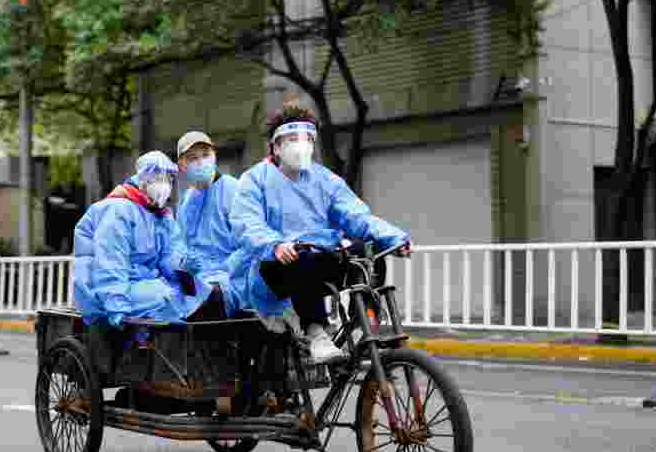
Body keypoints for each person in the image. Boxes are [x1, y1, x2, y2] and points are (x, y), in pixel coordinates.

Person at [227, 106, 411, 363]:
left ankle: (367, 321)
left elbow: (356, 216)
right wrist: (275, 244)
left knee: (368, 252)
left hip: (320, 258)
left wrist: (394, 238)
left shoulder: (325, 180)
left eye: (306, 140)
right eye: (292, 140)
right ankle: (316, 331)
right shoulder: (254, 180)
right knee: (301, 260)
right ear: (276, 147)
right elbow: (247, 223)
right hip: (273, 266)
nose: (300, 147)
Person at [72, 151, 227, 327]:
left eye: (169, 179)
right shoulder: (117, 210)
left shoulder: (160, 215)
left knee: (204, 292)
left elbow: (169, 256)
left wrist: (184, 265)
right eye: (158, 178)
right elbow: (110, 264)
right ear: (143, 178)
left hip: (141, 285)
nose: (165, 185)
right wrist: (116, 307)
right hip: (104, 294)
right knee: (168, 296)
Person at [175, 130, 243, 317]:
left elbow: (249, 245)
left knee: (204, 301)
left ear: (215, 157)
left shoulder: (233, 189)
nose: (201, 162)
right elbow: (182, 245)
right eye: (192, 158)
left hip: (230, 281)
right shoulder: (186, 201)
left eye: (206, 155)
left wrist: (225, 270)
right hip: (198, 280)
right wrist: (184, 264)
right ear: (182, 165)